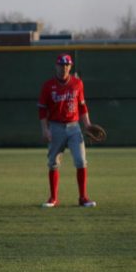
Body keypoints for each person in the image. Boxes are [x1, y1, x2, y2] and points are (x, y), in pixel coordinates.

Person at [37, 53, 97, 208]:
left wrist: (88, 125)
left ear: (70, 67)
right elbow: (42, 110)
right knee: (53, 163)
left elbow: (82, 106)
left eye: (67, 65)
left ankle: (83, 197)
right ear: (55, 66)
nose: (63, 68)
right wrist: (45, 130)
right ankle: (53, 198)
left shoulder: (77, 83)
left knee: (81, 161)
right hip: (56, 127)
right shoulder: (48, 85)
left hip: (74, 127)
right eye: (61, 65)